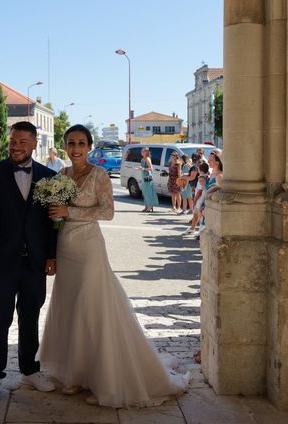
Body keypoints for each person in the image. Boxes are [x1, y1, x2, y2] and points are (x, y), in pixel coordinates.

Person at [40, 124, 189, 408]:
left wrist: (68, 211)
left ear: (89, 146)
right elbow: (55, 214)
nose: (75, 148)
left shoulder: (99, 175)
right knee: (70, 307)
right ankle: (75, 374)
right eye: (71, 143)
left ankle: (104, 379)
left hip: (89, 248)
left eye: (81, 143)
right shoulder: (61, 175)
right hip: (66, 247)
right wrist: (54, 222)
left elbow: (107, 212)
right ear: (65, 146)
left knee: (92, 308)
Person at [0, 121, 58, 406]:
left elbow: (53, 223)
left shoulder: (49, 177)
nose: (16, 146)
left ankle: (30, 370)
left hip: (34, 263)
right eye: (12, 141)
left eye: (22, 141)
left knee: (31, 317)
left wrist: (51, 255)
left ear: (35, 143)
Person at [138, 147, 158, 212]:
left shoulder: (147, 159)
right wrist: (140, 168)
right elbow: (143, 167)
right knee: (144, 191)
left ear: (146, 152)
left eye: (143, 151)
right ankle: (146, 206)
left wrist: (143, 169)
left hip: (147, 176)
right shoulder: (142, 159)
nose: (142, 152)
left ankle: (150, 206)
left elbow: (151, 168)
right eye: (141, 151)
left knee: (148, 191)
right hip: (143, 176)